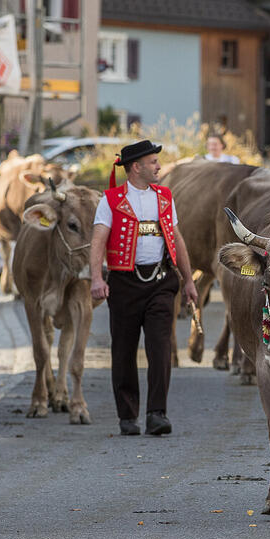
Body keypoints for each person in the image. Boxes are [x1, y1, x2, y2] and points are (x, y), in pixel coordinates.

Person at [90, 140, 199, 436]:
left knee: (161, 347)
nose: (159, 167)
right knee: (123, 350)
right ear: (135, 167)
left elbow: (176, 238)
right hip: (124, 283)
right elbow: (99, 239)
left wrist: (188, 280)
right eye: (153, 162)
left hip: (161, 282)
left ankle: (156, 413)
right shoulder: (110, 200)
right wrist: (97, 279)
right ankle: (127, 416)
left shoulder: (164, 197)